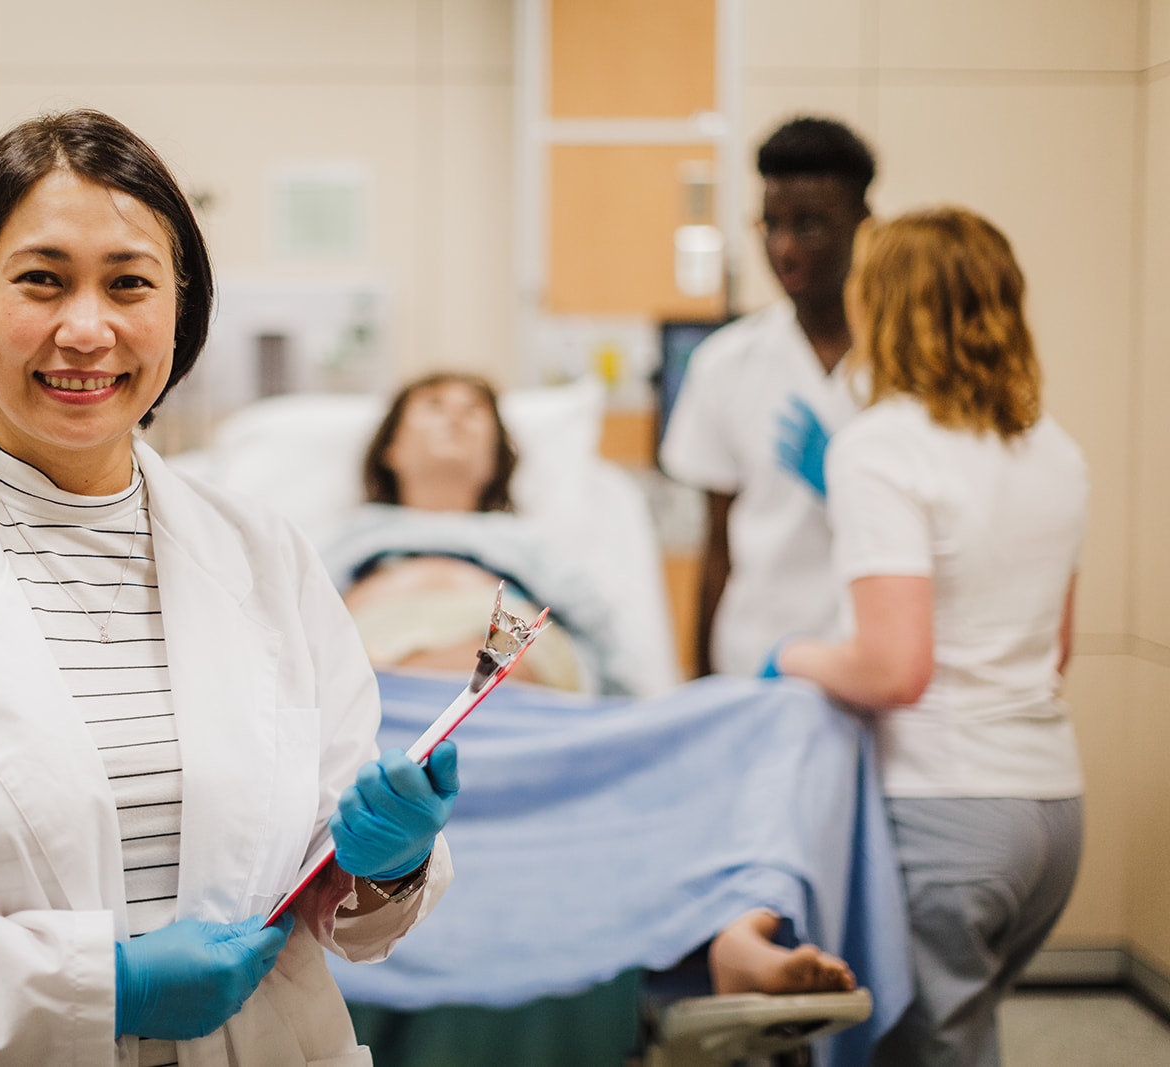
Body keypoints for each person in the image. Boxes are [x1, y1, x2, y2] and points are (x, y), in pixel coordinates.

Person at [0, 109, 459, 1067]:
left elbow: (330, 895)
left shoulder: (267, 557)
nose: (87, 328)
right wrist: (103, 988)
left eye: (130, 283)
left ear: (177, 312)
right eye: (42, 280)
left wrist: (385, 867)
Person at [328, 373, 859, 1067]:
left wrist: (631, 741)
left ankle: (740, 934)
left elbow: (611, 661)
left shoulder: (535, 552)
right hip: (382, 731)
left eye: (475, 413)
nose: (456, 420)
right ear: (390, 446)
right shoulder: (340, 544)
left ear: (496, 460)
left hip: (535, 735)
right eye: (433, 406)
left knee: (794, 712)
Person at [770, 207, 1088, 1066]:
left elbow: (894, 668)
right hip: (1052, 816)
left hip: (947, 813)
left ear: (884, 306)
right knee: (961, 1034)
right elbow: (1053, 648)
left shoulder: (880, 447)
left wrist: (791, 656)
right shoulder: (1053, 447)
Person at [659, 116, 876, 677]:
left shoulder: (906, 364)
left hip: (870, 659)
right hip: (756, 659)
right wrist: (700, 690)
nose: (783, 248)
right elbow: (715, 551)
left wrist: (846, 481)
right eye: (770, 225)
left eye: (809, 226)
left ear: (863, 225)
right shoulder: (726, 364)